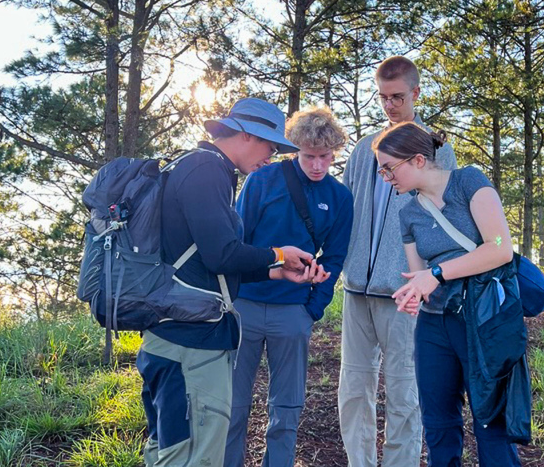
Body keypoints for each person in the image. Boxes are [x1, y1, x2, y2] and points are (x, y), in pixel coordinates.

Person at [136, 97, 330, 467]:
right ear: (245, 135)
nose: (271, 157)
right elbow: (220, 254)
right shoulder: (206, 169)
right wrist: (277, 254)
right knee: (196, 453)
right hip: (191, 345)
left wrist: (273, 271)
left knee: (168, 448)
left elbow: (205, 260)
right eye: (270, 146)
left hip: (171, 335)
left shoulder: (194, 166)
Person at [372, 122, 522, 467]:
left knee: (490, 418)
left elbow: (499, 248)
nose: (385, 177)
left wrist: (437, 274)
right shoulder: (408, 213)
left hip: (482, 319)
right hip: (434, 325)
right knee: (438, 422)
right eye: (381, 170)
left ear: (419, 160)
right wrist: (413, 293)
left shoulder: (469, 181)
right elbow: (417, 273)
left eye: (389, 168)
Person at [339, 55, 457, 467]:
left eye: (398, 97)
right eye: (383, 98)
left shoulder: (437, 151)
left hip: (407, 292)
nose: (390, 106)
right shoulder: (362, 150)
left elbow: (445, 221)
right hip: (356, 290)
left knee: (405, 392)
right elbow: (345, 210)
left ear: (416, 93)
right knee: (354, 390)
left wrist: (431, 279)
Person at [225, 107, 354, 466]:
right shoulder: (262, 181)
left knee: (287, 408)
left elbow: (336, 256)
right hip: (245, 305)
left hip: (294, 310)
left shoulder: (340, 198)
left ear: (334, 154)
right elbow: (238, 243)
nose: (317, 165)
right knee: (233, 405)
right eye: (309, 156)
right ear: (296, 149)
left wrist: (312, 308)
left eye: (325, 157)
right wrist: (234, 298)